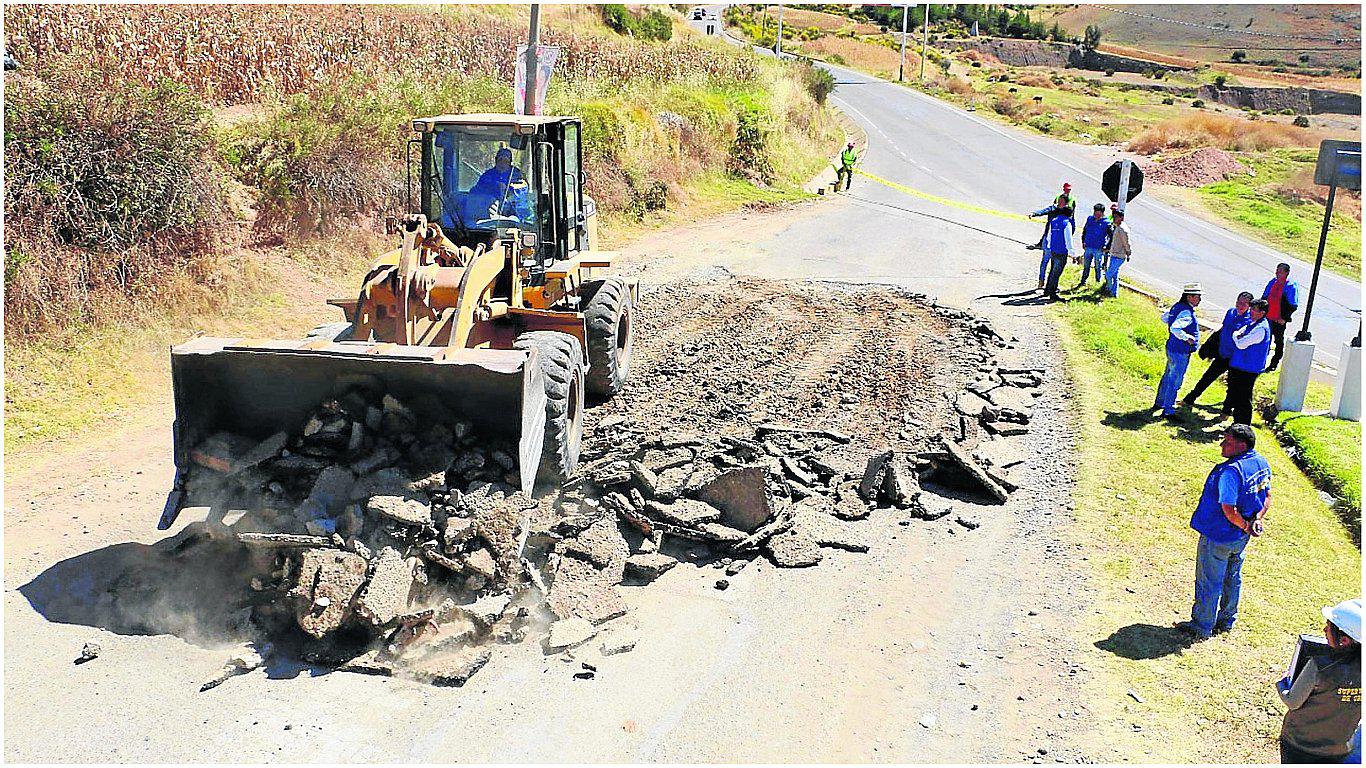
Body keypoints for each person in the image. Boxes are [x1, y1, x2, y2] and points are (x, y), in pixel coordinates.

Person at [1175, 423, 1271, 640]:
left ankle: (1202, 625)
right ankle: (1226, 621)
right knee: (1232, 577)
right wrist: (1255, 520)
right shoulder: (1261, 463)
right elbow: (1267, 497)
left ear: (1241, 445)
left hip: (1220, 535)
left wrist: (1246, 524)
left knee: (1210, 580)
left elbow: (1229, 509)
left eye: (1227, 442)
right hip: (1240, 537)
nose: (1221, 445)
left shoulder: (1231, 472)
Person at [1276, 598, 1362, 763]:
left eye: (1328, 628)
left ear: (1344, 640)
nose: (1324, 629)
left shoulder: (1318, 665)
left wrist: (1281, 683)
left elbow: (1292, 701)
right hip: (1340, 749)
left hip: (1300, 746)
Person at [1182, 291, 1254, 413]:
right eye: (1239, 302)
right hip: (1222, 353)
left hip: (1235, 358)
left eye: (1244, 304)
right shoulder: (1230, 312)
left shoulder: (1249, 321)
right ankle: (1189, 399)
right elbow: (1222, 330)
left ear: (1249, 306)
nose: (1240, 306)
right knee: (1208, 377)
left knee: (1231, 386)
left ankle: (1226, 411)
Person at [1155, 283, 1202, 420]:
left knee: (1167, 375)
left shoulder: (1177, 307)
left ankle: (1160, 402)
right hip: (1180, 351)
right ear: (1189, 297)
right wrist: (1187, 337)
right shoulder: (1187, 312)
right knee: (1175, 381)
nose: (1199, 300)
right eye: (1197, 297)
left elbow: (1164, 318)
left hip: (1171, 348)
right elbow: (1175, 328)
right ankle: (1168, 409)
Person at [1225, 298, 1273, 426]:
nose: (1251, 312)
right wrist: (1237, 335)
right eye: (1251, 309)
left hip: (1248, 368)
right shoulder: (1253, 323)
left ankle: (1243, 425)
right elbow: (1238, 333)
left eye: (1254, 310)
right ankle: (1236, 423)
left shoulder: (1260, 329)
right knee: (1236, 395)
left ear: (1262, 312)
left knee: (1243, 399)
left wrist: (1236, 337)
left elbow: (1241, 344)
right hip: (1240, 365)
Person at [464, 147, 531, 225]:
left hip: (514, 216)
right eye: (500, 160)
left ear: (510, 162)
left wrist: (507, 189)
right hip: (488, 217)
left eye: (506, 161)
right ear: (496, 161)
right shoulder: (488, 175)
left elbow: (522, 192)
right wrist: (491, 192)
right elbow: (475, 192)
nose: (502, 163)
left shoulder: (517, 175)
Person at [1260, 262, 1300, 372]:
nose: (1277, 274)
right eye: (1277, 271)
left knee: (1278, 342)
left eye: (1280, 272)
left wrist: (1284, 318)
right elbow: (1264, 297)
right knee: (1264, 340)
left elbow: (1293, 305)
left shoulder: (1290, 286)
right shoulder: (1272, 282)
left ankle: (1274, 363)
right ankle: (1261, 361)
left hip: (1279, 320)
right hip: (1267, 318)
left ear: (1287, 273)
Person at [1028, 182, 1076, 253]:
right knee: (1047, 234)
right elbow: (1047, 210)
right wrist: (1034, 214)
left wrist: (1072, 225)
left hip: (1061, 223)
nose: (1068, 191)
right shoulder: (1057, 199)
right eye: (1067, 189)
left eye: (1069, 189)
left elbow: (1072, 214)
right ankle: (1042, 244)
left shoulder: (1072, 200)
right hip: (1052, 221)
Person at [1077, 203, 1113, 288]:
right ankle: (1083, 281)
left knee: (1098, 266)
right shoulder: (1090, 219)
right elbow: (1085, 230)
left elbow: (1111, 236)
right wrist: (1083, 241)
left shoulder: (1106, 223)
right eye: (1095, 212)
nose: (1095, 214)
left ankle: (1097, 281)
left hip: (1099, 248)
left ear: (1102, 213)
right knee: (1086, 266)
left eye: (1097, 213)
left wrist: (1107, 247)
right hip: (1088, 246)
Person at [1041, 210, 1074, 300]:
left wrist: (1049, 246)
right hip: (1062, 251)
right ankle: (1053, 292)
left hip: (1053, 249)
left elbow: (1049, 235)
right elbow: (1068, 239)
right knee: (1057, 273)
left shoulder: (1054, 221)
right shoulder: (1067, 223)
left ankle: (1047, 290)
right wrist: (1072, 253)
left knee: (1052, 270)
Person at [1103, 209, 1131, 298]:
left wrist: (1128, 253)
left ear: (1121, 218)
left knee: (1108, 274)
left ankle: (1109, 290)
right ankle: (1114, 293)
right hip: (1114, 254)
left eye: (1116, 217)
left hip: (1119, 256)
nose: (1114, 219)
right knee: (1115, 276)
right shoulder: (1117, 227)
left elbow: (1126, 243)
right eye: (1114, 217)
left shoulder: (1122, 229)